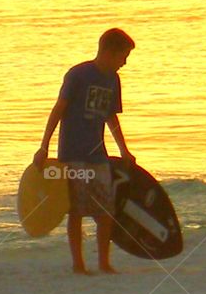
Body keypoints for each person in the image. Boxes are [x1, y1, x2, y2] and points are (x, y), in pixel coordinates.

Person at [33, 28, 136, 275]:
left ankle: (103, 263)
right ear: (109, 52)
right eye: (123, 56)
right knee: (76, 210)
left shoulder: (113, 80)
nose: (124, 62)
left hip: (98, 155)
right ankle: (78, 264)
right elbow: (58, 109)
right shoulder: (78, 75)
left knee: (105, 211)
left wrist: (124, 150)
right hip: (72, 154)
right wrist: (43, 147)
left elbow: (111, 116)